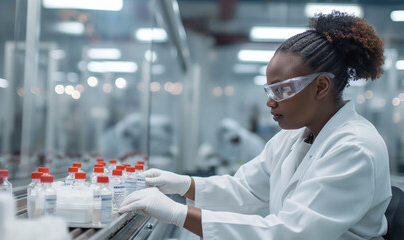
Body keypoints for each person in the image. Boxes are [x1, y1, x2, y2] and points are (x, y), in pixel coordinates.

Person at [118, 11, 391, 239]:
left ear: (320, 86)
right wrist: (181, 184)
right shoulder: (294, 137)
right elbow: (246, 190)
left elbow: (291, 232)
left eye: (281, 91)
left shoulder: (355, 148)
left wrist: (178, 213)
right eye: (269, 91)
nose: (270, 103)